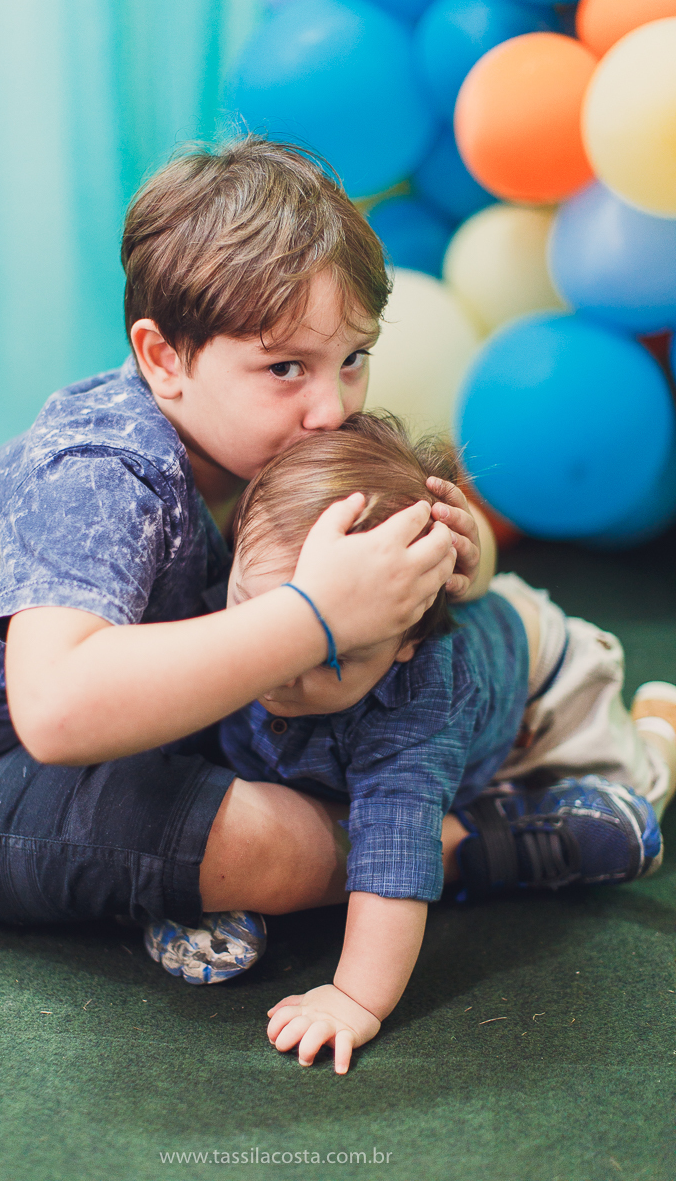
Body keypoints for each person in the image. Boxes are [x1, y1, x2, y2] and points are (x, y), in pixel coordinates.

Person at [0, 138, 489, 935]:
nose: (332, 409)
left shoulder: (283, 433)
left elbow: (452, 558)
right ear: (163, 358)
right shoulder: (100, 469)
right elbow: (55, 710)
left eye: (353, 358)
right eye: (285, 367)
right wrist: (319, 615)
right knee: (270, 840)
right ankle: (487, 845)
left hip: (138, 732)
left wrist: (451, 558)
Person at [146, 412, 675, 1074]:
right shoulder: (240, 603)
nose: (279, 665)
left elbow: (394, 858)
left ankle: (660, 725)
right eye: (262, 617)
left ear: (404, 646)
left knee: (640, 791)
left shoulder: (413, 710)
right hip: (458, 681)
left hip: (548, 689)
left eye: (326, 652)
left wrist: (353, 997)